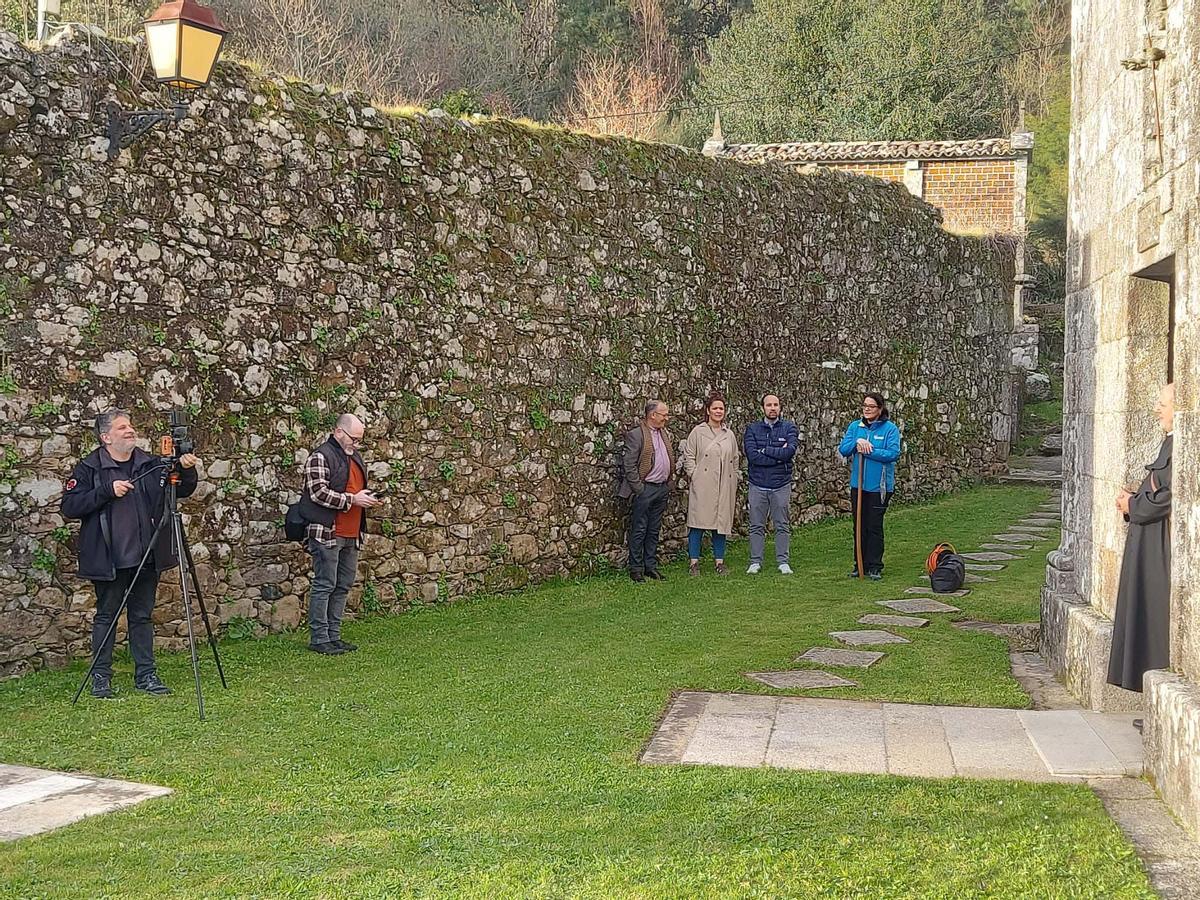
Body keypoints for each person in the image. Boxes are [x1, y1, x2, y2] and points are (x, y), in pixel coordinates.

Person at [61, 409, 200, 698]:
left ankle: (146, 676)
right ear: (105, 437)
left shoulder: (149, 463)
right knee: (107, 617)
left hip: (146, 556)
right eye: (122, 427)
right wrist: (107, 491)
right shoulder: (89, 468)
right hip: (109, 558)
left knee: (142, 617)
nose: (129, 430)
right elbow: (70, 507)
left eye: (131, 426)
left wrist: (186, 469)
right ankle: (101, 677)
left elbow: (181, 491)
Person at [1108, 383, 1174, 703]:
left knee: (1154, 620)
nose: (1158, 410)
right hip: (1146, 541)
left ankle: (1160, 701)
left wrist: (1133, 505)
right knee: (1142, 615)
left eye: (1163, 404)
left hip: (1158, 547)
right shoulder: (1169, 444)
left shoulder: (1180, 446)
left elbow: (1167, 496)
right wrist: (1133, 501)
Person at [297, 413, 380, 654]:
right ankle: (319, 637)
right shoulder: (321, 456)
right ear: (339, 432)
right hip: (327, 531)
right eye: (354, 439)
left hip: (352, 532)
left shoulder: (355, 457)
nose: (356, 444)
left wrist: (368, 498)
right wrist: (353, 499)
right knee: (325, 583)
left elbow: (355, 490)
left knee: (343, 584)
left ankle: (334, 634)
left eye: (359, 440)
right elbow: (318, 493)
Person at [838, 392, 901, 580]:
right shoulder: (855, 427)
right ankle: (860, 564)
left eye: (871, 406)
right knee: (859, 525)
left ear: (880, 409)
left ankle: (875, 565)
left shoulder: (890, 429)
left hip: (879, 487)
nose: (867, 409)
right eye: (865, 405)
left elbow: (892, 454)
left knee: (873, 525)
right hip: (858, 485)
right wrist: (857, 442)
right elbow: (844, 449)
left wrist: (869, 450)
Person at [682, 392, 740, 576]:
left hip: (724, 484)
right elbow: (689, 455)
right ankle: (694, 563)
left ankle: (719, 561)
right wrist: (694, 475)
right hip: (704, 483)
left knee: (720, 523)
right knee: (698, 522)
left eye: (721, 408)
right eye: (715, 408)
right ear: (708, 410)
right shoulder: (698, 432)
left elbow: (735, 458)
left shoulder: (729, 434)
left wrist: (734, 477)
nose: (718, 411)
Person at [618, 400, 675, 582]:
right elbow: (629, 464)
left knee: (653, 529)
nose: (666, 418)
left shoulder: (663, 434)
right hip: (646, 488)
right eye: (663, 414)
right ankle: (636, 568)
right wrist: (639, 489)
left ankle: (650, 566)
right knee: (640, 528)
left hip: (661, 488)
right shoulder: (637, 435)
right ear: (652, 415)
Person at [744, 393, 799, 575]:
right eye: (769, 405)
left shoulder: (789, 428)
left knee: (782, 524)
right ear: (763, 408)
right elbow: (752, 456)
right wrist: (777, 455)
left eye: (776, 404)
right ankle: (755, 561)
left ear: (780, 407)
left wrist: (766, 450)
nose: (772, 408)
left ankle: (783, 561)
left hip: (780, 484)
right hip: (757, 483)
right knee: (756, 525)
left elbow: (789, 452)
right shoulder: (752, 429)